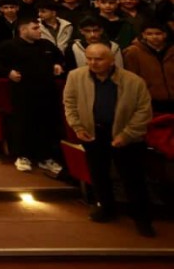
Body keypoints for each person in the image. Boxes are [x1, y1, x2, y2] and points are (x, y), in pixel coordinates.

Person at [63, 43, 155, 237]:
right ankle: (107, 208)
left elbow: (143, 112)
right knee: (99, 175)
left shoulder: (133, 81)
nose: (93, 63)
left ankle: (142, 218)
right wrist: (78, 127)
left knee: (133, 179)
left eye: (98, 59)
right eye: (89, 58)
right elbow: (70, 103)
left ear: (112, 59)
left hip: (125, 135)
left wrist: (127, 134)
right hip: (93, 133)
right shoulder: (76, 76)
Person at [0, 16, 65, 175]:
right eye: (35, 28)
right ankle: (22, 156)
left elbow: (59, 57)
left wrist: (58, 64)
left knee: (47, 124)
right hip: (23, 91)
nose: (39, 32)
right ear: (23, 30)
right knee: (23, 123)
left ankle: (46, 158)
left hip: (47, 91)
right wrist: (7, 72)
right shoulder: (10, 46)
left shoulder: (46, 44)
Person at [123, 21, 174, 114]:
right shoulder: (133, 52)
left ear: (165, 34)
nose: (154, 37)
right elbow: (130, 78)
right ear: (143, 35)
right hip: (150, 101)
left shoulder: (171, 50)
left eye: (158, 33)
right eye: (149, 34)